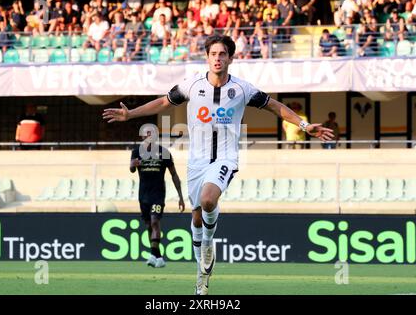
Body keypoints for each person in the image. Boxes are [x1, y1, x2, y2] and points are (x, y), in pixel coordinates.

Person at [102, 35, 334, 295]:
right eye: (213, 53)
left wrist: (304, 124)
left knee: (209, 200)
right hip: (196, 162)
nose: (217, 58)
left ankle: (209, 244)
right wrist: (130, 114)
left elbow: (274, 106)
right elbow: (163, 102)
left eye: (222, 54)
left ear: (230, 58)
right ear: (207, 57)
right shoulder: (192, 85)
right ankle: (202, 275)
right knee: (197, 215)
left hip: (225, 158)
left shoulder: (242, 89)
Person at [130, 128, 185, 268]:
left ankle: (152, 255)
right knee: (148, 225)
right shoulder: (136, 151)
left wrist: (180, 197)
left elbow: (174, 174)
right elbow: (131, 168)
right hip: (143, 194)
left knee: (155, 222)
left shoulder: (164, 153)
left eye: (151, 133)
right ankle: (158, 257)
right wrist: (132, 165)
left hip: (158, 194)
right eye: (146, 133)